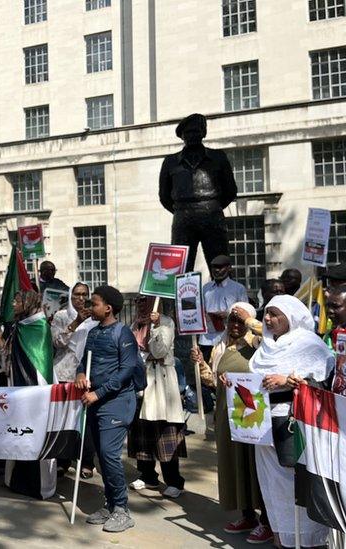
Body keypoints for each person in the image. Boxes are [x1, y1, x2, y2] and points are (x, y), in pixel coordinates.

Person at [250, 295, 333, 549]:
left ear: (292, 316)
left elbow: (325, 384)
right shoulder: (264, 348)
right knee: (272, 484)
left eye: (275, 313)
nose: (267, 318)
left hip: (293, 423)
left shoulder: (310, 345)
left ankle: (307, 541)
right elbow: (254, 383)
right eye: (266, 313)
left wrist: (287, 381)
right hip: (262, 424)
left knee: (296, 485)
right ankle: (282, 537)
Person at [193, 302, 273, 545]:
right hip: (228, 417)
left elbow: (271, 335)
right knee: (235, 466)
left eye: (240, 321)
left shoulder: (259, 344)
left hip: (253, 418)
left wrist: (249, 320)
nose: (235, 326)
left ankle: (268, 522)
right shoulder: (220, 346)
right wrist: (201, 364)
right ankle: (247, 515)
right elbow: (213, 381)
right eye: (232, 320)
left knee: (256, 468)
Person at [75, 285, 138, 533]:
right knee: (102, 457)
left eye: (94, 303)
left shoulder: (123, 334)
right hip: (94, 402)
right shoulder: (93, 333)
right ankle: (111, 505)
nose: (90, 307)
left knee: (109, 454)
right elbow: (84, 360)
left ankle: (122, 510)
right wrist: (81, 373)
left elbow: (126, 371)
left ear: (108, 308)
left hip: (117, 402)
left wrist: (98, 393)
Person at [0, 290, 58, 499]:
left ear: (28, 303)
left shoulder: (39, 327)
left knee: (37, 436)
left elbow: (41, 363)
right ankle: (17, 481)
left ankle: (40, 487)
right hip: (18, 389)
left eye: (17, 300)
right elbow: (8, 359)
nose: (13, 302)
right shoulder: (18, 327)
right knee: (19, 434)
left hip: (36, 392)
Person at [158, 113, 237, 272]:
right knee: (180, 268)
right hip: (183, 217)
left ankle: (226, 296)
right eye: (188, 132)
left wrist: (212, 206)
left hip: (212, 215)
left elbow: (230, 190)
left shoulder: (218, 157)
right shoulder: (170, 161)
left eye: (196, 131)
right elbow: (164, 196)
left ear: (203, 133)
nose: (192, 135)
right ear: (182, 136)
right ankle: (182, 297)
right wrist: (182, 210)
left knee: (220, 264)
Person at [127, 296, 186, 499]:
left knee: (164, 431)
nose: (142, 305)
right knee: (142, 432)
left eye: (146, 301)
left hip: (160, 384)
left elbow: (159, 350)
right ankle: (147, 475)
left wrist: (155, 326)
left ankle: (173, 480)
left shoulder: (166, 322)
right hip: (140, 382)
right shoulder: (134, 324)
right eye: (139, 301)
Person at [51, 282, 97, 478]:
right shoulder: (61, 316)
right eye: (76, 294)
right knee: (63, 421)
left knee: (85, 421)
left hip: (86, 373)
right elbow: (56, 342)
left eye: (84, 295)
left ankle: (87, 460)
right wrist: (76, 322)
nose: (80, 298)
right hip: (64, 373)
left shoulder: (95, 317)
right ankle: (63, 460)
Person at [199, 255, 248, 358]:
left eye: (220, 267)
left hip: (229, 338)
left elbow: (246, 313)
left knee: (225, 370)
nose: (217, 270)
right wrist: (204, 315)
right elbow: (199, 309)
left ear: (229, 268)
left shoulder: (238, 288)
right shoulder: (206, 288)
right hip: (207, 339)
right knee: (206, 370)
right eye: (214, 267)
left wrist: (228, 315)